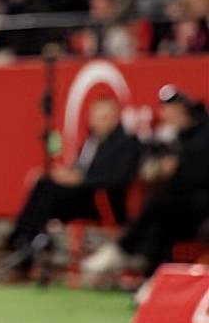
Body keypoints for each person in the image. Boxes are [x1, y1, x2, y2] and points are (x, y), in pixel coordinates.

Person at [82, 85, 209, 279]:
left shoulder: (202, 135)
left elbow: (196, 176)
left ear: (183, 110)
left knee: (159, 205)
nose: (167, 115)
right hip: (180, 207)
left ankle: (122, 249)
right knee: (159, 223)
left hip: (200, 204)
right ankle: (152, 280)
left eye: (172, 110)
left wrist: (175, 168)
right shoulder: (178, 137)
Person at [2, 97, 139, 269]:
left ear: (116, 118)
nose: (98, 122)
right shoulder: (91, 142)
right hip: (82, 197)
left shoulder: (126, 144)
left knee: (47, 190)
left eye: (104, 117)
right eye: (95, 117)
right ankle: (23, 243)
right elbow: (79, 169)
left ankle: (19, 242)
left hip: (103, 202)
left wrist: (79, 179)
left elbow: (116, 178)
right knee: (44, 185)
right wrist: (64, 175)